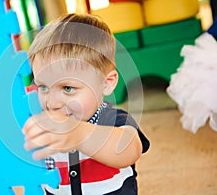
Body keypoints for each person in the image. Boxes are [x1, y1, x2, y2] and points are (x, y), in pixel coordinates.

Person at [23, 13, 150, 195]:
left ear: (106, 83)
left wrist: (78, 133)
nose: (52, 103)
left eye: (67, 88)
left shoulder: (114, 120)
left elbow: (130, 150)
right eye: (43, 87)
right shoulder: (41, 124)